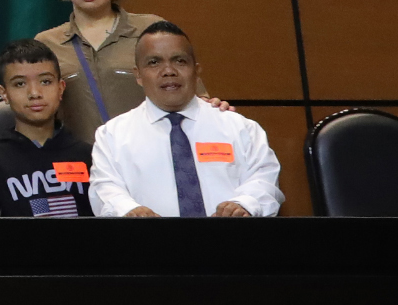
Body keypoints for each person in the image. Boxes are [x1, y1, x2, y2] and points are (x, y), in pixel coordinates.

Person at [89, 22, 281, 218]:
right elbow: (105, 188)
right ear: (138, 75)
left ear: (196, 71)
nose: (168, 71)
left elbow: (264, 180)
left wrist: (244, 204)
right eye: (154, 62)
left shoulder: (240, 128)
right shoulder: (112, 135)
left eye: (179, 61)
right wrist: (128, 211)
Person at [33, 0, 208, 144]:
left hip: (152, 153)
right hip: (82, 160)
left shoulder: (151, 32)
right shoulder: (46, 43)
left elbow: (196, 99)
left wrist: (213, 108)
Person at [0, 40, 93, 218]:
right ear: (4, 93)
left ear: (60, 88)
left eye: (45, 81)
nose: (35, 93)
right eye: (20, 84)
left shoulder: (90, 157)